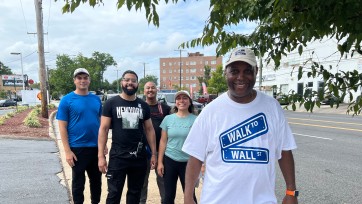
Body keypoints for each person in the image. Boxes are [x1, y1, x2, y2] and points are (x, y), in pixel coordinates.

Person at [182, 47, 298, 204]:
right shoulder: (210, 112)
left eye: (247, 71)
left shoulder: (272, 107)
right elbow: (195, 158)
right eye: (234, 71)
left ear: (256, 71)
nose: (240, 77)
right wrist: (188, 197)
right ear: (226, 73)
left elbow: (284, 150)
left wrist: (291, 192)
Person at [98, 70, 157, 204]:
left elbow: (149, 129)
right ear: (122, 82)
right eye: (127, 80)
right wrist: (101, 156)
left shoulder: (143, 105)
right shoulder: (111, 103)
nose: (130, 83)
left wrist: (153, 154)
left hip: (138, 157)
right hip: (118, 157)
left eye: (133, 80)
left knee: (135, 194)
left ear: (137, 84)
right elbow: (104, 129)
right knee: (114, 194)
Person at [56, 68, 102, 204]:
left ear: (89, 80)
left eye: (85, 77)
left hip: (95, 148)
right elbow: (62, 127)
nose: (82, 80)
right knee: (78, 183)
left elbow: (101, 124)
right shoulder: (67, 100)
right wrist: (67, 151)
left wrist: (103, 145)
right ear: (74, 80)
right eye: (79, 78)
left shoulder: (96, 99)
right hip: (77, 149)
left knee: (96, 182)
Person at [157, 90, 198, 204]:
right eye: (178, 98)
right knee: (168, 196)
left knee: (190, 195)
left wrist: (201, 164)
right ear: (175, 102)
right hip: (170, 160)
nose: (181, 101)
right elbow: (163, 141)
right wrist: (160, 162)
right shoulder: (168, 119)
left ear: (190, 102)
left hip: (188, 162)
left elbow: (199, 143)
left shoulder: (196, 120)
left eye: (185, 98)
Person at [139, 81, 171, 204]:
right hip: (143, 151)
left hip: (161, 151)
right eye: (148, 88)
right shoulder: (139, 106)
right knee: (142, 182)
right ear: (144, 91)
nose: (150, 90)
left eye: (153, 88)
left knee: (163, 182)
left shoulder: (165, 108)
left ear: (156, 90)